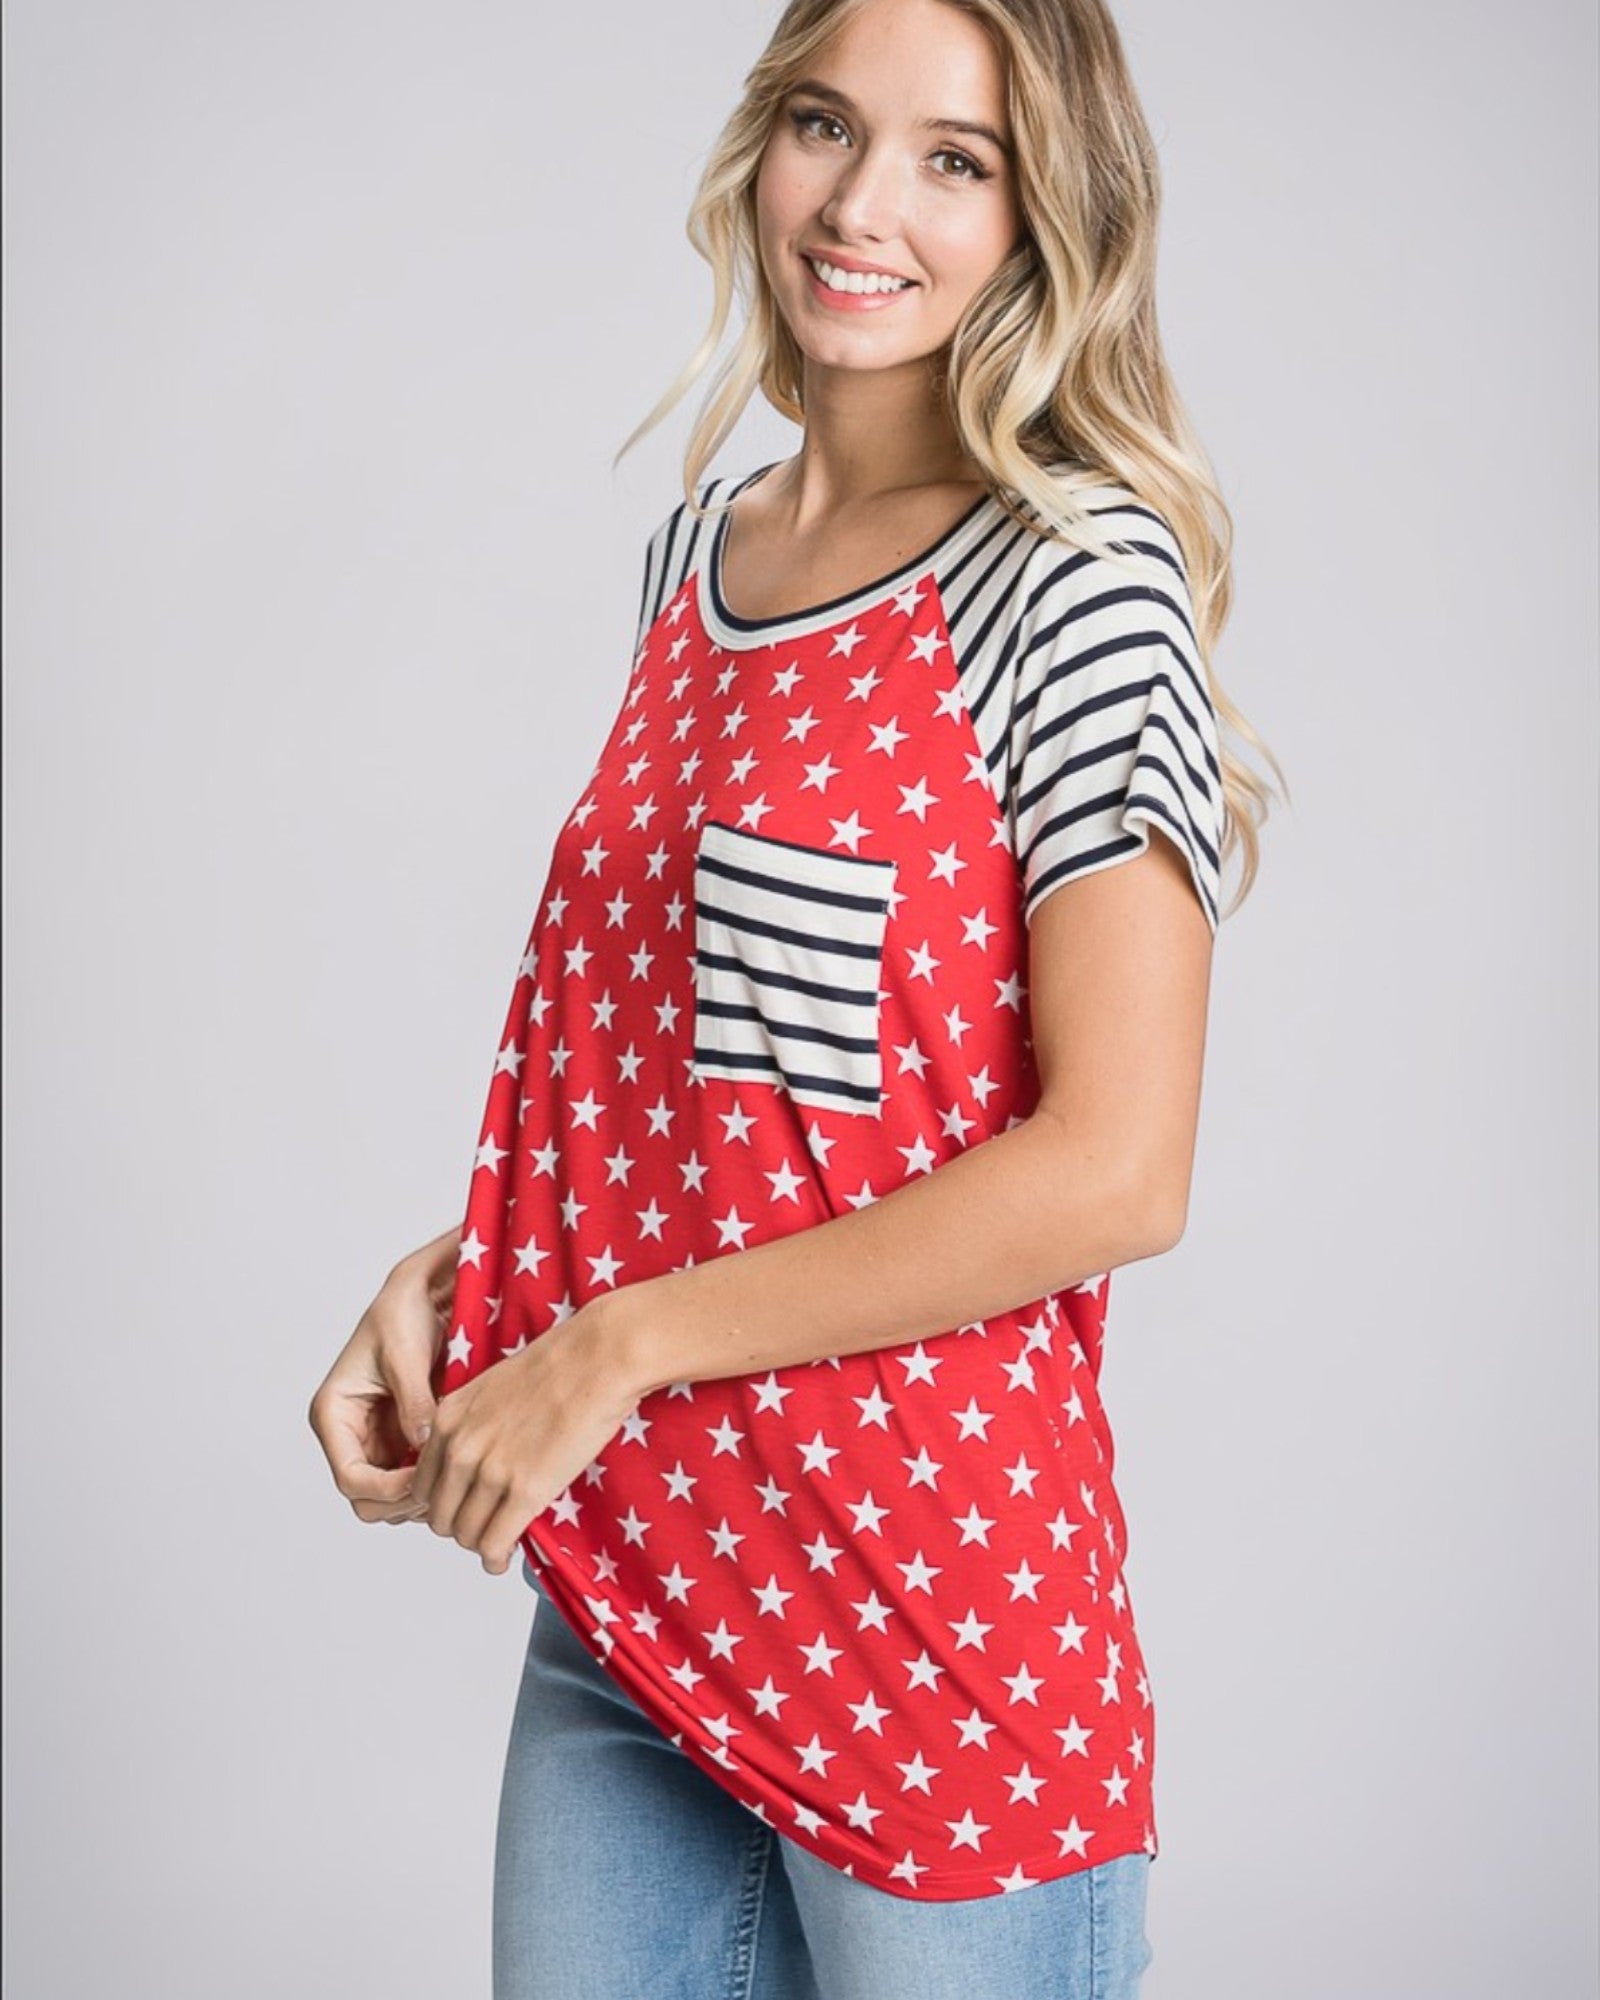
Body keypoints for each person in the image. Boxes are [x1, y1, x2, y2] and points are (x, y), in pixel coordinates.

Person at [309, 1, 1283, 1994]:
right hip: (636, 1601)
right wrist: (474, 1278)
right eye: (826, 126)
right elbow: (720, 1107)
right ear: (758, 146)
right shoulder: (698, 556)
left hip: (928, 1646)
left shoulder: (1066, 583)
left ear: (1039, 219)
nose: (860, 205)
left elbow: (1112, 1166)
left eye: (955, 157)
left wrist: (614, 1345)